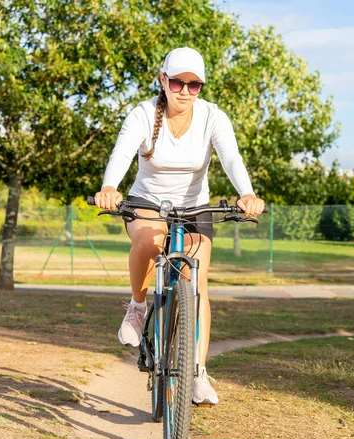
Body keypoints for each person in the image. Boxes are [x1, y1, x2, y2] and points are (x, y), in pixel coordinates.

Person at [94, 47, 265, 405]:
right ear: (163, 81)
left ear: (200, 87)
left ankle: (197, 373)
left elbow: (231, 158)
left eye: (194, 85)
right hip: (147, 202)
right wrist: (110, 186)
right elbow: (122, 151)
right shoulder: (143, 114)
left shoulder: (212, 117)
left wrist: (247, 194)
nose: (184, 91)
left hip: (194, 207)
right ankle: (138, 308)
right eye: (177, 82)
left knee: (196, 283)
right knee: (147, 241)